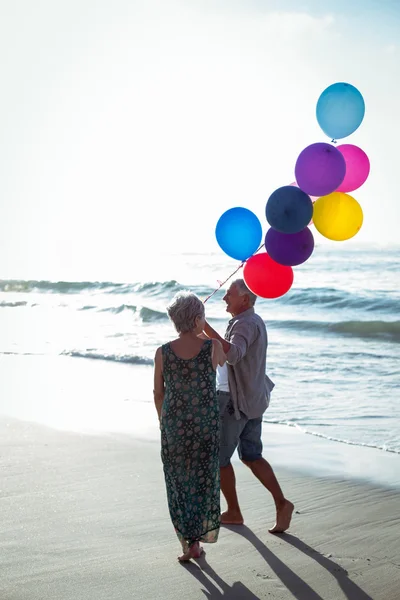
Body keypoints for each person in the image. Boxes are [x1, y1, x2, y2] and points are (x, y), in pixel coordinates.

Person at [203, 278, 294, 533]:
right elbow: (229, 351)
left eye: (229, 294)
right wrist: (201, 330)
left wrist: (206, 326)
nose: (224, 298)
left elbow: (233, 354)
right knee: (252, 456)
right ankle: (282, 503)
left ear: (244, 299)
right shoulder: (251, 321)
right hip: (252, 399)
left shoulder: (244, 324)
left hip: (235, 401)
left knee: (218, 458)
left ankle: (234, 511)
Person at [153, 291, 226, 561]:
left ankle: (188, 542)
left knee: (179, 483)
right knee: (203, 481)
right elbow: (223, 360)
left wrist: (164, 422)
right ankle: (198, 538)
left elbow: (158, 394)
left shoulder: (162, 353)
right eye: (203, 318)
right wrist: (204, 330)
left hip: (174, 425)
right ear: (197, 320)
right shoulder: (212, 347)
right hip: (205, 425)